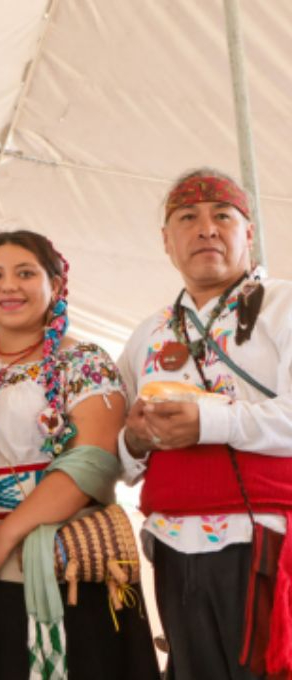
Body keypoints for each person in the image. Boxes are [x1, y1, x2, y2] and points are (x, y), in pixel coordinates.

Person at [0, 230, 159, 678]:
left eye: (25, 273)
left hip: (58, 562)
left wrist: (1, 539)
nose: (8, 286)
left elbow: (92, 464)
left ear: (55, 287)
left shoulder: (83, 362)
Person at [118, 168, 292, 679]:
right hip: (171, 542)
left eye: (223, 216)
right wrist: (134, 437)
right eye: (187, 218)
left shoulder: (283, 307)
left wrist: (206, 423)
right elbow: (122, 455)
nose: (207, 228)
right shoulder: (147, 333)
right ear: (167, 242)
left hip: (264, 538)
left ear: (249, 233)